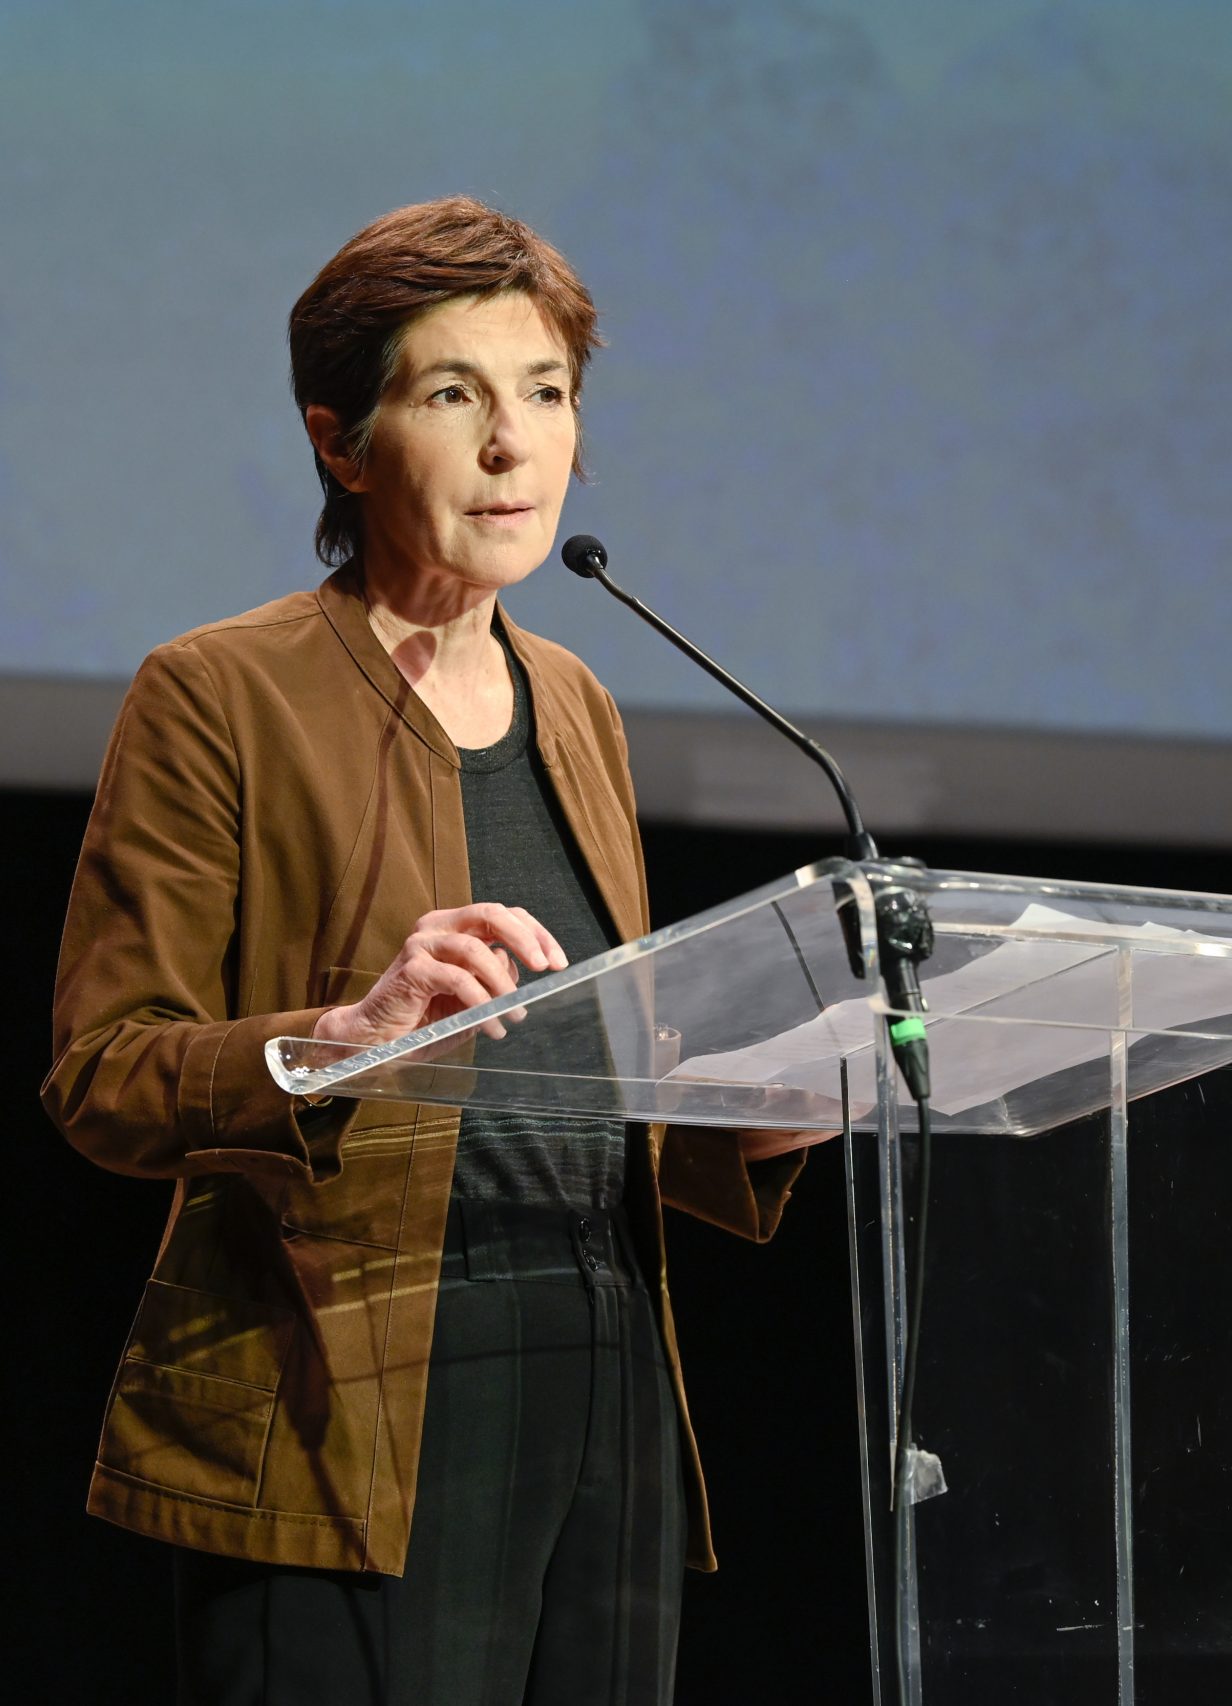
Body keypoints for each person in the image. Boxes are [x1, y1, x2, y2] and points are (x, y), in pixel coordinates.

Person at [40, 197, 819, 1706]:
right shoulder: (218, 694)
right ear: (342, 441)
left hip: (601, 1368)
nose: (515, 445)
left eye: (546, 393)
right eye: (453, 394)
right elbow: (104, 1070)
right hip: (352, 1380)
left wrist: (763, 1106)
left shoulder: (578, 700)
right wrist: (351, 1037)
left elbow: (595, 1069)